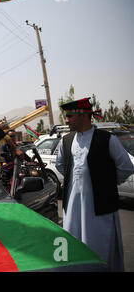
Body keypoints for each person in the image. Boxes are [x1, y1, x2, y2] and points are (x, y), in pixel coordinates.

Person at [55, 97, 134, 271]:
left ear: (83, 116)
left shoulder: (107, 139)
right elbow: (61, 165)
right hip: (72, 209)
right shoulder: (66, 140)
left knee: (99, 249)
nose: (66, 120)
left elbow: (126, 167)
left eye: (69, 116)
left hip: (99, 209)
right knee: (74, 249)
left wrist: (106, 183)